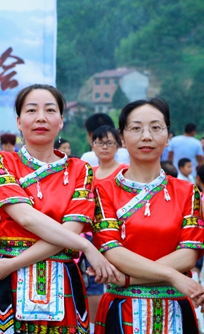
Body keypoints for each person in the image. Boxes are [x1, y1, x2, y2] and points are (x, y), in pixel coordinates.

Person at [0, 84, 119, 333]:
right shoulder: (0, 162)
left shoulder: (80, 170)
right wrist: (86, 246)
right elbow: (25, 217)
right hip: (6, 282)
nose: (41, 117)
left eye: (50, 110)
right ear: (19, 121)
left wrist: (13, 264)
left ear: (61, 121)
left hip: (53, 279)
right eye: (32, 110)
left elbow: (71, 230)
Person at [92, 98, 204, 333]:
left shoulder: (187, 191)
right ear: (122, 138)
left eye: (155, 127)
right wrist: (173, 276)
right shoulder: (104, 190)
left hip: (175, 309)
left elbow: (188, 255)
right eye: (136, 128)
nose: (146, 136)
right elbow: (112, 252)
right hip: (122, 309)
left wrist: (127, 279)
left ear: (168, 136)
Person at [86, 125, 128, 329]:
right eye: (99, 142)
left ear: (118, 145)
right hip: (89, 236)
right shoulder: (89, 173)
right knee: (91, 283)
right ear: (93, 145)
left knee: (110, 281)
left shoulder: (124, 172)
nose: (104, 147)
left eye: (109, 143)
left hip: (117, 237)